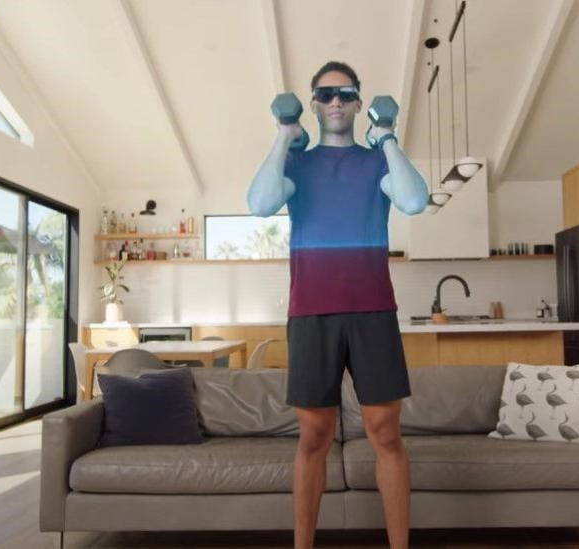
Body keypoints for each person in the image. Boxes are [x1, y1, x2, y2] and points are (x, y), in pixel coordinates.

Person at [246, 61, 428, 549]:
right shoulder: (296, 165)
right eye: (325, 95)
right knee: (313, 438)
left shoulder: (377, 162)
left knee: (386, 434)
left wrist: (387, 136)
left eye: (346, 94)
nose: (335, 103)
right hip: (311, 312)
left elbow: (413, 201)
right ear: (312, 103)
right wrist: (285, 134)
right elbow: (261, 204)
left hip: (373, 310)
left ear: (358, 101)